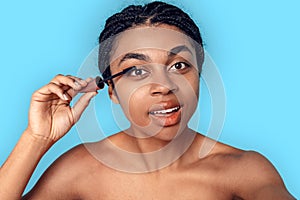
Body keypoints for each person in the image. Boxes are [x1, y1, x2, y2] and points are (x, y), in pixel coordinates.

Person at [0, 1, 295, 199]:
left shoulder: (243, 169)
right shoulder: (79, 170)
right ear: (112, 91)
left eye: (179, 66)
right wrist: (37, 137)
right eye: (137, 70)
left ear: (199, 75)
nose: (163, 86)